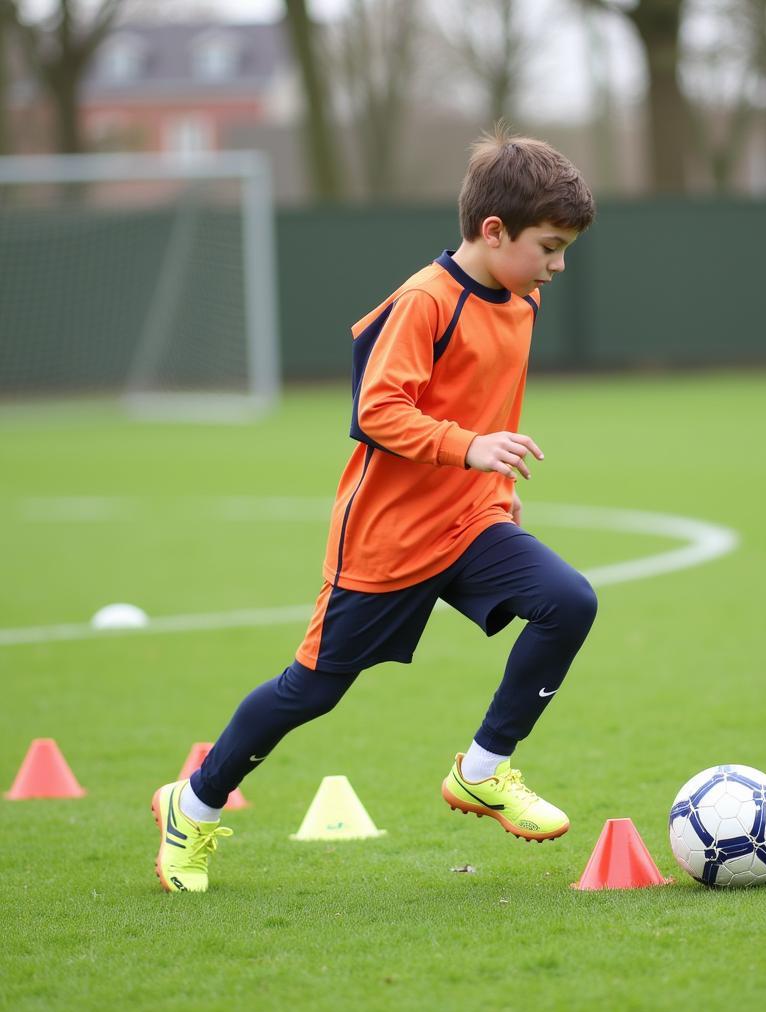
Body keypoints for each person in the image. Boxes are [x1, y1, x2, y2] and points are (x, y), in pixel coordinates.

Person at [151, 126, 598, 893]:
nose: (557, 267)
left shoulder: (518, 302)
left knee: (568, 601)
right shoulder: (424, 302)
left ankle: (484, 770)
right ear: (494, 232)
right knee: (311, 692)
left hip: (471, 522)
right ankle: (192, 806)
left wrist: (498, 483)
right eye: (549, 247)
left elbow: (494, 407)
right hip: (388, 541)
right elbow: (376, 411)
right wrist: (470, 448)